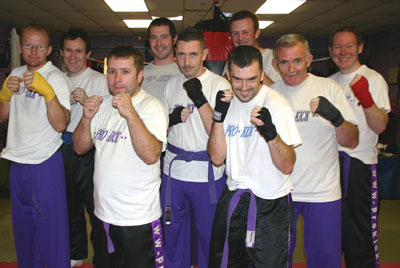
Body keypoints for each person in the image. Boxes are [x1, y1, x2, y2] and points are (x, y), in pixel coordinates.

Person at [73, 45, 168, 267]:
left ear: (140, 76)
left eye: (125, 72)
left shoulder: (151, 107)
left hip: (138, 218)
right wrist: (86, 118)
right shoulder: (103, 104)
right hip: (103, 214)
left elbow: (151, 155)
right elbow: (80, 148)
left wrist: (130, 114)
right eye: (112, 71)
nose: (117, 78)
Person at [207, 45, 301, 267]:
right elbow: (217, 158)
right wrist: (218, 117)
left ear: (261, 75)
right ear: (228, 75)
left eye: (251, 79)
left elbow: (287, 166)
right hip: (235, 198)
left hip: (271, 203)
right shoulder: (227, 104)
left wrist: (271, 134)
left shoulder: (277, 105)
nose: (244, 87)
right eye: (238, 79)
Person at [271, 33, 359, 268]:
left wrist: (337, 118)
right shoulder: (269, 95)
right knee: (275, 259)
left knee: (326, 261)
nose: (291, 69)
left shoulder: (328, 89)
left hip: (322, 193)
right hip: (280, 191)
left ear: (309, 59)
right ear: (275, 64)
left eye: (297, 61)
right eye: (284, 62)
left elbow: (352, 141)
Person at [0, 24, 71, 267]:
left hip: (44, 162)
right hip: (17, 163)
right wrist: (3, 96)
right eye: (29, 45)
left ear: (49, 50)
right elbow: (2, 116)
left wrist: (48, 93)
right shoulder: (16, 73)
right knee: (23, 230)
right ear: (20, 48)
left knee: (52, 231)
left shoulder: (57, 79)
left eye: (40, 46)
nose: (34, 51)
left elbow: (61, 124)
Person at [161, 27, 231, 268]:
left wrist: (199, 99)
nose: (186, 61)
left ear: (205, 53)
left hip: (207, 174)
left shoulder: (220, 85)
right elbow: (164, 130)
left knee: (209, 237)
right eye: (181, 54)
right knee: (173, 234)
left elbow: (218, 134)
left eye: (192, 54)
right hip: (174, 171)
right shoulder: (171, 84)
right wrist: (169, 120)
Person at [329, 26, 390, 268]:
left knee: (360, 234)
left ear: (360, 48)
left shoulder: (373, 79)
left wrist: (365, 98)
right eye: (337, 46)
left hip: (359, 165)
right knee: (333, 233)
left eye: (349, 46)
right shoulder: (328, 83)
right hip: (330, 165)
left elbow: (380, 127)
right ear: (331, 50)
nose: (343, 52)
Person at [60, 27, 110, 267]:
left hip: (91, 150)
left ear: (87, 53)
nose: (73, 56)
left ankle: (101, 255)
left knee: (95, 208)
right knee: (69, 206)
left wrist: (87, 99)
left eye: (78, 51)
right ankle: (76, 254)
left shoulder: (99, 81)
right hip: (59, 148)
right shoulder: (56, 80)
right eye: (68, 51)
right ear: (61, 53)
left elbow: (110, 117)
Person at [228, 10, 281, 85]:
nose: (240, 38)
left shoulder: (271, 57)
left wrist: (258, 74)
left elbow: (280, 92)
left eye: (245, 32)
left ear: (256, 33)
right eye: (235, 33)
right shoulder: (232, 59)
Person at [141, 17, 181, 101]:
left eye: (164, 37)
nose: (159, 43)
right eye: (154, 38)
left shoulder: (184, 71)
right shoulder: (139, 74)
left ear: (174, 39)